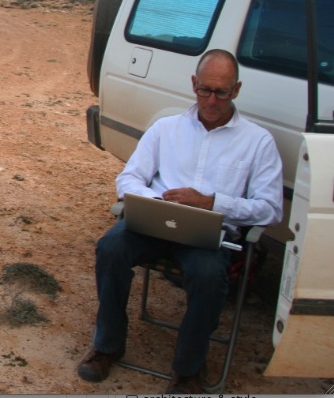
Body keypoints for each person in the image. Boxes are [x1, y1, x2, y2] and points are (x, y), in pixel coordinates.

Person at [77, 49, 283, 393]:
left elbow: (270, 209)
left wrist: (212, 202)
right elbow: (129, 178)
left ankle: (189, 369)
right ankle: (107, 346)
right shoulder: (166, 128)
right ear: (193, 84)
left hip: (207, 234)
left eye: (222, 92)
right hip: (155, 222)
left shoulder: (257, 142)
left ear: (236, 89)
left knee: (208, 276)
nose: (212, 100)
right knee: (110, 249)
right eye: (205, 90)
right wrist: (157, 201)